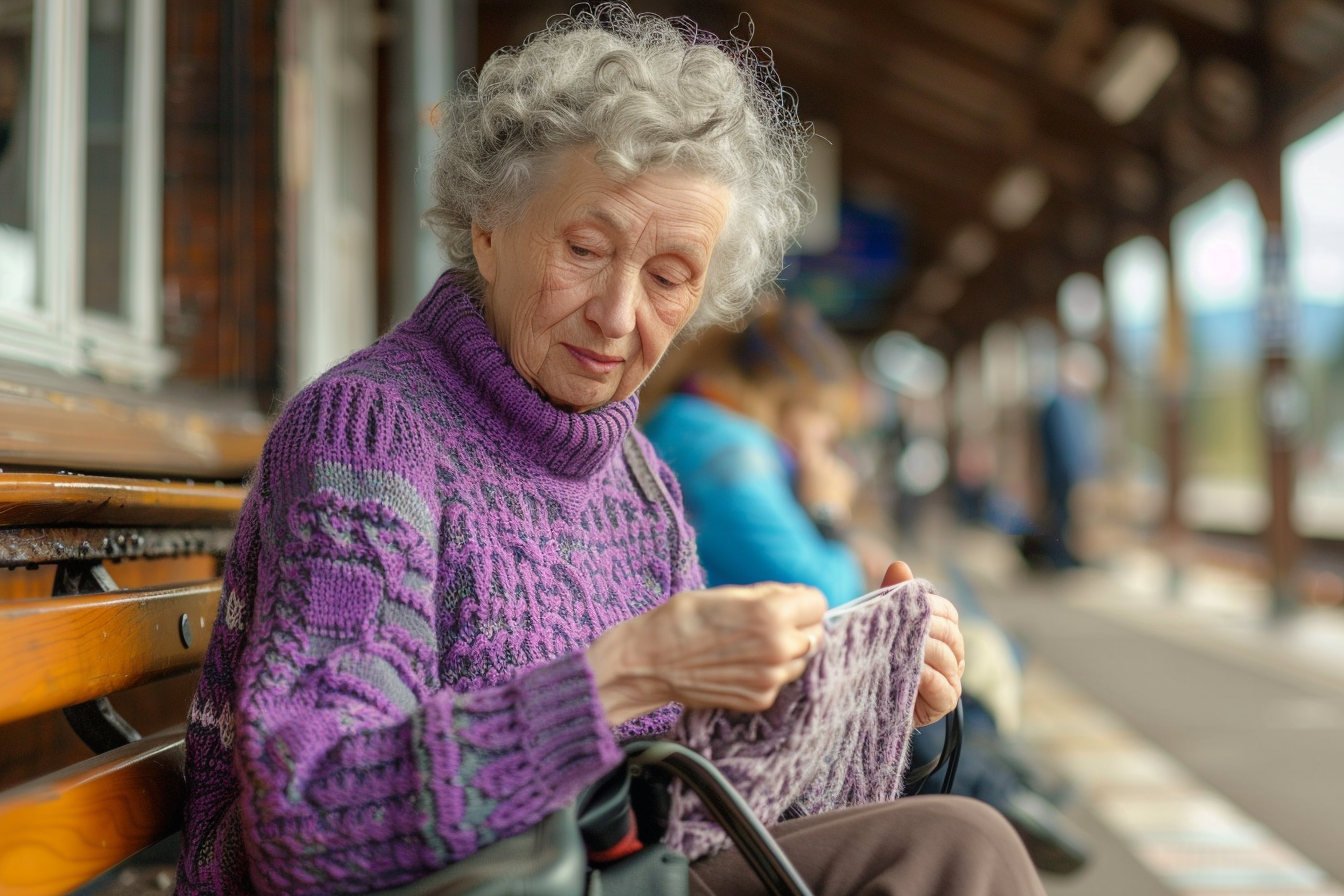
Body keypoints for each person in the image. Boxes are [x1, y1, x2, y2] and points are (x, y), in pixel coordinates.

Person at [175, 8, 1046, 896]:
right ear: (487, 227)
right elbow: (311, 821)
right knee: (962, 848)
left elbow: (689, 809)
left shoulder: (638, 476)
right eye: (586, 249)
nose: (619, 315)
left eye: (670, 277)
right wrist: (624, 674)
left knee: (950, 843)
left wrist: (864, 703)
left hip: (606, 876)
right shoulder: (369, 434)